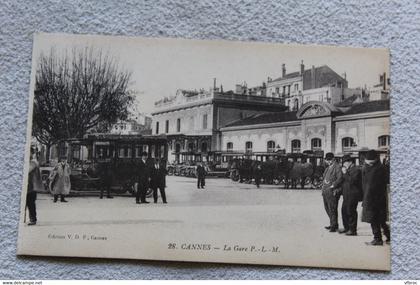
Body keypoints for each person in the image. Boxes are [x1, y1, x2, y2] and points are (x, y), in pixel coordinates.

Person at [361, 150, 390, 245]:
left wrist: (366, 199)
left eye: (367, 160)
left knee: (374, 219)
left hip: (373, 199)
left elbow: (371, 186)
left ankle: (378, 239)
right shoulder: (375, 167)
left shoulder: (377, 169)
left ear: (372, 160)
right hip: (376, 198)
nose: (365, 162)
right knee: (380, 219)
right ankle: (389, 236)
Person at [335, 155, 363, 235]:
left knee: (351, 211)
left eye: (345, 163)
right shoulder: (348, 169)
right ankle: (346, 228)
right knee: (344, 210)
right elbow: (344, 182)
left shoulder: (356, 170)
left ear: (350, 162)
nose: (344, 164)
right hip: (346, 194)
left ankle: (353, 230)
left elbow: (352, 181)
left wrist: (345, 173)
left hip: (353, 194)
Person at [321, 152, 343, 232]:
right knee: (327, 208)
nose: (329, 161)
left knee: (332, 208)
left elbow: (340, 178)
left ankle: (334, 225)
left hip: (332, 191)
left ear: (333, 159)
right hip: (326, 191)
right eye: (327, 160)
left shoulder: (337, 167)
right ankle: (332, 223)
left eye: (330, 160)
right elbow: (324, 177)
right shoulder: (328, 168)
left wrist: (333, 185)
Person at [26, 145, 43, 225]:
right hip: (28, 186)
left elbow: (27, 170)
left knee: (30, 203)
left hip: (31, 187)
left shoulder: (33, 162)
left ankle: (33, 219)